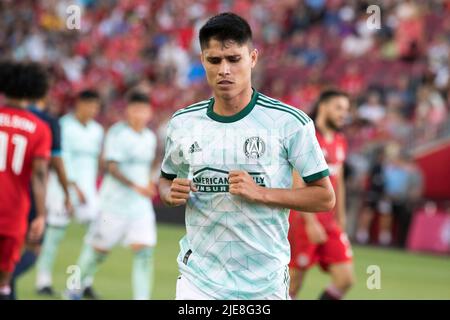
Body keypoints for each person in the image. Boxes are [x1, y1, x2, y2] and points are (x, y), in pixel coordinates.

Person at [158, 12, 335, 300]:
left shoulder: (290, 123)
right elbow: (165, 181)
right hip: (199, 281)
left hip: (264, 284)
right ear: (203, 60)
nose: (224, 70)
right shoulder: (183, 123)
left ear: (252, 58)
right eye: (214, 60)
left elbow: (324, 197)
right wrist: (169, 193)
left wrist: (261, 193)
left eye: (234, 59)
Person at [65, 91, 158, 300]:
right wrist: (136, 186)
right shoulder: (118, 133)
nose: (139, 114)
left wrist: (150, 182)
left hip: (140, 207)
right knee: (97, 252)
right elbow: (111, 167)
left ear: (150, 113)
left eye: (143, 110)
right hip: (113, 205)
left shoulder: (150, 137)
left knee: (144, 253)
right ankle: (73, 287)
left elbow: (148, 166)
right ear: (128, 111)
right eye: (135, 110)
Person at [35, 90, 103, 298]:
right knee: (55, 234)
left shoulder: (97, 130)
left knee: (97, 234)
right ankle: (43, 280)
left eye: (96, 106)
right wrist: (73, 186)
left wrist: (90, 186)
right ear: (79, 105)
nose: (92, 110)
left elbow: (95, 161)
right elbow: (58, 159)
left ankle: (84, 281)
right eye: (89, 105)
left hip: (88, 191)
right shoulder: (63, 126)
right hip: (62, 187)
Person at [288, 90, 355, 300]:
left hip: (330, 221)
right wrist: (310, 222)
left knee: (345, 279)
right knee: (294, 282)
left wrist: (341, 218)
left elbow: (339, 182)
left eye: (346, 109)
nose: (343, 114)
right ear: (323, 107)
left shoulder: (340, 140)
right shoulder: (308, 137)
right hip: (304, 218)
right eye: (338, 108)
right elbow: (296, 181)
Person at [9, 93, 73, 300]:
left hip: (7, 190)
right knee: (33, 248)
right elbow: (55, 160)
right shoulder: (46, 123)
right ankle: (6, 280)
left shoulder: (7, 116)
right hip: (28, 194)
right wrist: (66, 190)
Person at [0, 61, 52, 300]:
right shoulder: (39, 128)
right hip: (13, 212)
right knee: (4, 280)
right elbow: (40, 175)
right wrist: (40, 214)